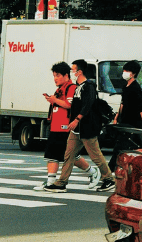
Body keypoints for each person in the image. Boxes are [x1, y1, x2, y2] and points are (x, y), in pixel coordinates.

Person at [44, 60, 108, 191]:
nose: (72, 72)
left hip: (84, 126)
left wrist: (76, 119)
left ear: (79, 72)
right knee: (67, 155)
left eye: (73, 70)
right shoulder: (77, 87)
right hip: (74, 128)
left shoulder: (87, 86)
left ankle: (107, 178)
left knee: (95, 155)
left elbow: (86, 105)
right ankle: (60, 182)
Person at [117, 63, 142, 131]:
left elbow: (141, 107)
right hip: (124, 120)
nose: (124, 73)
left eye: (127, 71)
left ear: (133, 74)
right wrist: (116, 118)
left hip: (134, 121)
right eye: (124, 70)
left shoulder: (135, 87)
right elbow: (122, 103)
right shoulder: (125, 86)